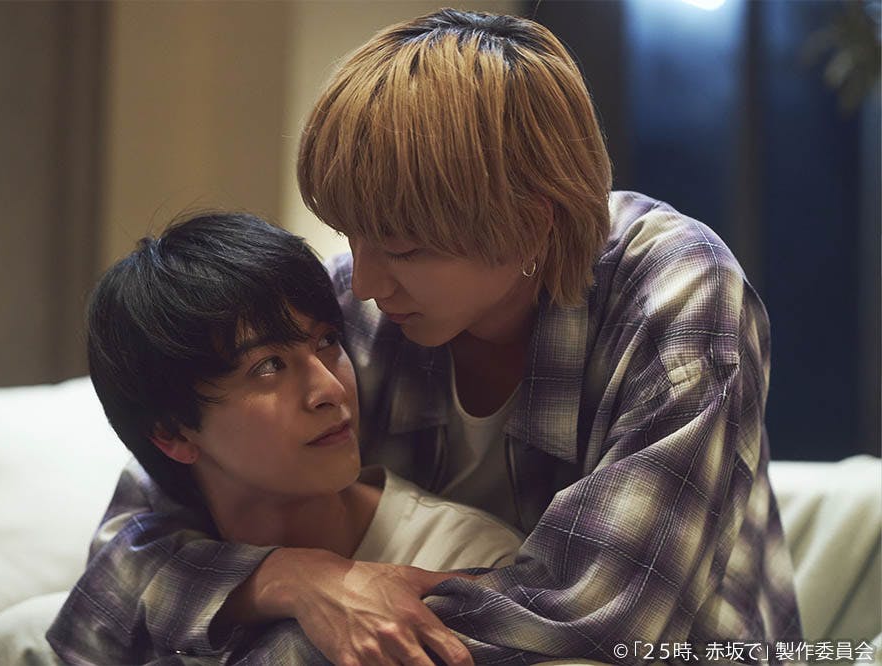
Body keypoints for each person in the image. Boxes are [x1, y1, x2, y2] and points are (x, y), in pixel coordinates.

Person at [47, 8, 802, 666]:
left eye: (404, 249)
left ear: (530, 223)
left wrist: (294, 630)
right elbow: (123, 561)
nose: (365, 283)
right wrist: (295, 579)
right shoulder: (354, 308)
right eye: (352, 235)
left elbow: (597, 616)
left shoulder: (676, 297)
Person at [0, 211, 524, 666]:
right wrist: (292, 579)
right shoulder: (57, 629)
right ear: (173, 435)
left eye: (327, 342)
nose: (330, 389)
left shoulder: (463, 560)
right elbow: (118, 560)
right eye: (268, 366)